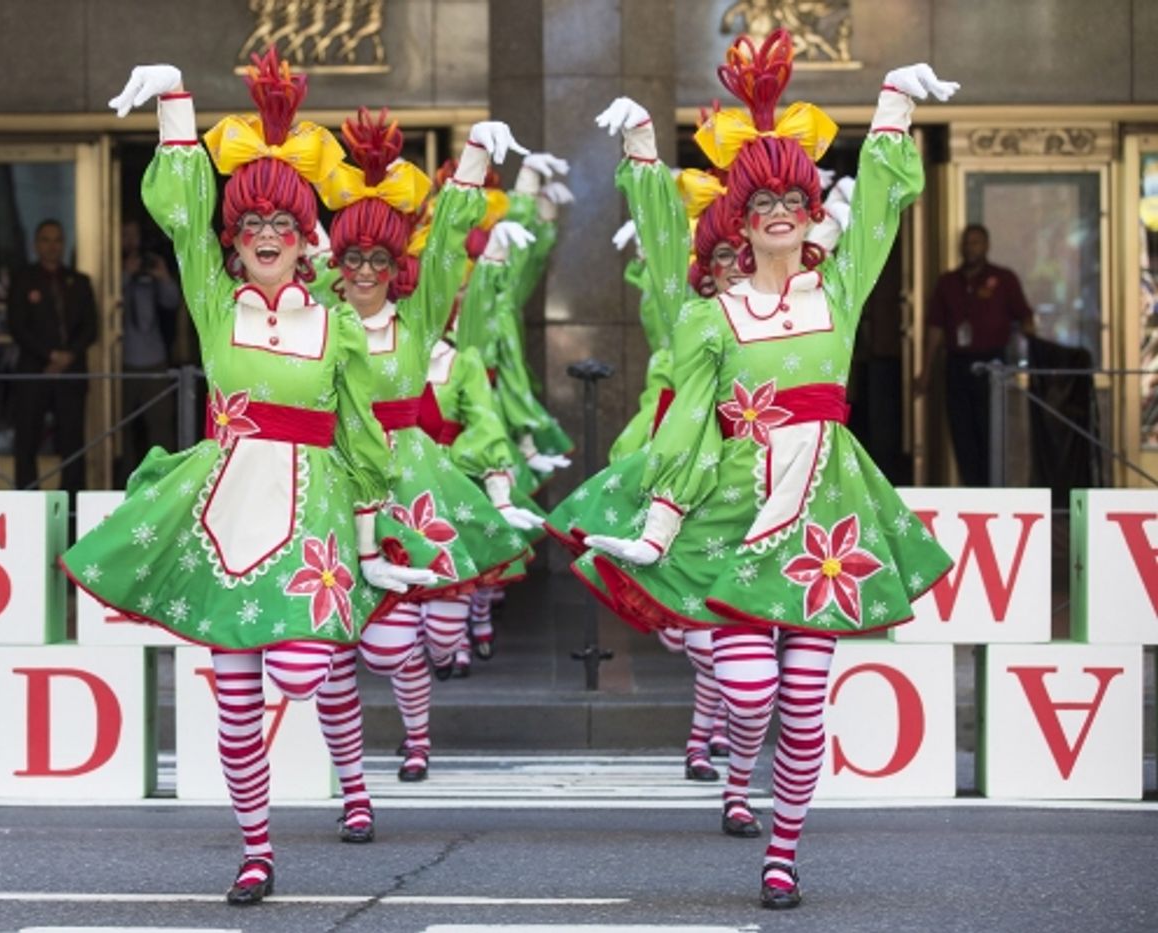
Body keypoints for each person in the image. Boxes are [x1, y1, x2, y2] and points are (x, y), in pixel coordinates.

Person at [579, 30, 957, 909]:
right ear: (741, 221)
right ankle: (733, 772)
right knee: (748, 691)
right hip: (733, 519)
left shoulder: (842, 287)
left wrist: (894, 104)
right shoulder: (712, 316)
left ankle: (781, 851)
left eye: (795, 194)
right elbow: (688, 432)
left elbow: (882, 213)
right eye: (763, 201)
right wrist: (659, 525)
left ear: (811, 206)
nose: (781, 209)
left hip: (826, 518)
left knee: (802, 698)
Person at [65, 50, 435, 906]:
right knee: (235, 698)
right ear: (235, 239)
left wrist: (375, 539)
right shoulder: (212, 296)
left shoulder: (338, 324)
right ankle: (257, 850)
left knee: (309, 668)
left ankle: (356, 784)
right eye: (249, 222)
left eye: (281, 219)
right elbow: (186, 216)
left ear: (308, 237)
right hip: (227, 512)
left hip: (309, 517)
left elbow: (359, 431)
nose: (264, 233)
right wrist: (176, 108)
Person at [317, 106, 539, 782]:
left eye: (377, 258)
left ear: (395, 265)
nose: (363, 270)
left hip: (409, 479)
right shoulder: (317, 321)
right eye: (352, 257)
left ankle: (417, 737)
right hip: (332, 477)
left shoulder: (415, 321)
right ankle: (353, 784)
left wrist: (471, 163)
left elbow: (445, 244)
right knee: (330, 642)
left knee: (403, 647)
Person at [921, 223, 1035, 485]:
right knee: (962, 432)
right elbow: (936, 329)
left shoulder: (1004, 279)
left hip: (993, 365)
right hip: (958, 365)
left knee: (991, 431)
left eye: (976, 242)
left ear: (986, 246)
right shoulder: (948, 282)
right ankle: (972, 488)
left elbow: (1025, 318)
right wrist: (926, 370)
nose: (970, 247)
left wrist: (1030, 356)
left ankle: (994, 489)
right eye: (966, 242)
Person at [7, 218, 99, 495]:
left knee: (72, 442)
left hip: (70, 374)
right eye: (45, 240)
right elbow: (17, 326)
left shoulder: (80, 282)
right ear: (36, 244)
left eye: (57, 240)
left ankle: (71, 508)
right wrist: (49, 355)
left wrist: (68, 356)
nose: (52, 246)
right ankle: (27, 502)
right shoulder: (23, 279)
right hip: (35, 372)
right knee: (27, 441)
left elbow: (91, 327)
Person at [119, 216, 181, 477]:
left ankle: (160, 481)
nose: (132, 241)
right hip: (119, 361)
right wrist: (125, 274)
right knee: (119, 429)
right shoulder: (106, 261)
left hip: (154, 358)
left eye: (135, 235)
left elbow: (172, 302)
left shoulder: (153, 262)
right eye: (126, 235)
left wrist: (163, 276)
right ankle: (121, 480)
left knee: (160, 427)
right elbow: (104, 302)